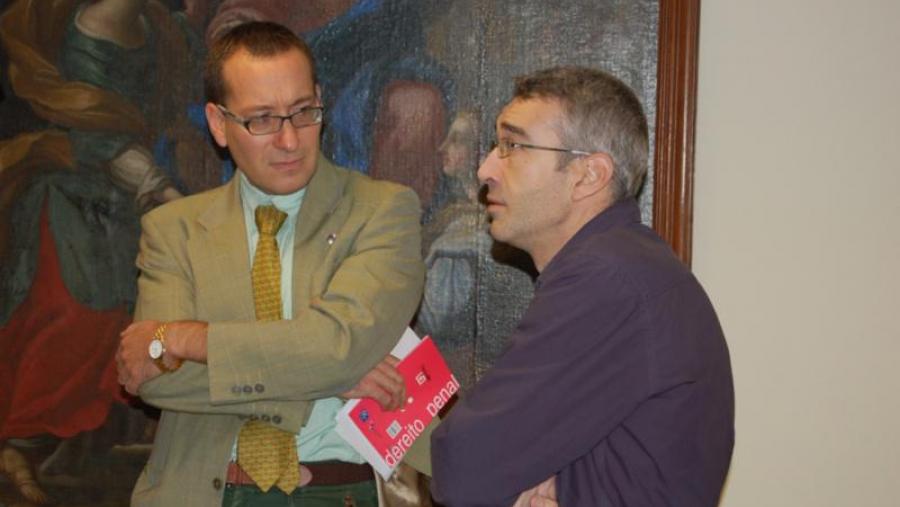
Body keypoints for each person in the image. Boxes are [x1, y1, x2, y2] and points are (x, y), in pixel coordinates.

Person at [114, 21, 426, 506]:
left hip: (338, 491)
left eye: (303, 112)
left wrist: (186, 338)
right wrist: (326, 381)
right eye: (261, 119)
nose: (290, 140)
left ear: (320, 100)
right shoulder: (173, 230)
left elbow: (337, 346)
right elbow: (158, 382)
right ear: (218, 124)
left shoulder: (382, 211)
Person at [430, 66, 734, 507]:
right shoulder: (627, 268)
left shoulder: (607, 279)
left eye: (513, 146)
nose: (485, 169)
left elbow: (462, 464)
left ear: (589, 175)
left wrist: (542, 482)